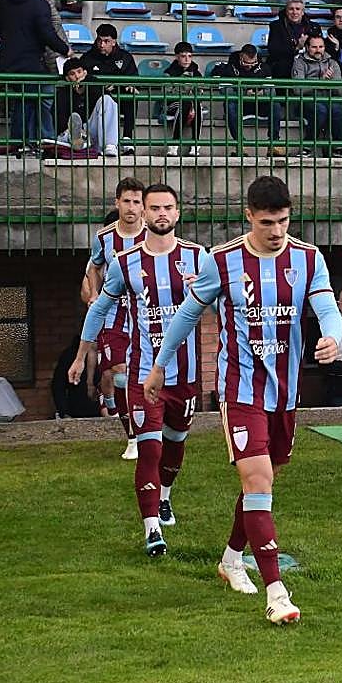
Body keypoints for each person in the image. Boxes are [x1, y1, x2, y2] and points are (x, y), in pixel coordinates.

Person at [145, 176, 342, 625]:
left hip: (285, 394)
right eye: (268, 222)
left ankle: (232, 559)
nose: (277, 231)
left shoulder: (309, 259)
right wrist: (159, 366)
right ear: (249, 216)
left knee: (263, 484)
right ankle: (277, 593)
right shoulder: (223, 260)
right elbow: (186, 314)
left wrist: (332, 336)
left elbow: (327, 307)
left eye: (284, 221)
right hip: (240, 391)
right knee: (258, 482)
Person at [70, 184, 203, 557]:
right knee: (149, 449)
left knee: (175, 445)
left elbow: (226, 300)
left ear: (177, 214)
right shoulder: (125, 262)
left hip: (186, 375)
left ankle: (164, 496)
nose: (162, 213)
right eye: (154, 208)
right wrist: (81, 355)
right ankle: (151, 530)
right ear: (143, 214)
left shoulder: (198, 258)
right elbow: (98, 309)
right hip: (143, 374)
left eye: (168, 208)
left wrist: (205, 293)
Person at [86, 178, 147, 460]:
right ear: (117, 203)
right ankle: (132, 436)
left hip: (145, 314)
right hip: (114, 314)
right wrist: (96, 293)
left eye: (137, 202)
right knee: (119, 372)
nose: (132, 207)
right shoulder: (105, 237)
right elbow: (93, 268)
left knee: (142, 374)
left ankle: (148, 425)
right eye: (127, 201)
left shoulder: (153, 236)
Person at [0, 0, 69, 152]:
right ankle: (24, 143)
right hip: (29, 61)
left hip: (7, 60)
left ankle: (24, 143)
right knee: (28, 100)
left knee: (22, 100)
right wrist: (65, 49)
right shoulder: (38, 1)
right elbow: (47, 33)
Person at [214, 45, 285, 157]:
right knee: (229, 104)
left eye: (253, 63)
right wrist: (244, 93)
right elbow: (225, 91)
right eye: (247, 63)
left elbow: (272, 92)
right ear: (241, 56)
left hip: (259, 104)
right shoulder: (229, 69)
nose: (250, 66)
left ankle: (274, 142)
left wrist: (262, 93)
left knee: (275, 104)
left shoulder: (264, 68)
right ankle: (240, 143)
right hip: (240, 104)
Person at [79, 24, 138, 154]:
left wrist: (129, 86)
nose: (102, 44)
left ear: (114, 42)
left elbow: (134, 79)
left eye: (106, 41)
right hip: (95, 103)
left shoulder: (125, 57)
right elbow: (82, 78)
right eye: (99, 40)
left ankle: (127, 138)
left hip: (119, 99)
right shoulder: (88, 58)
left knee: (131, 95)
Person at [292, 35, 342, 159]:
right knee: (320, 110)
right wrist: (320, 81)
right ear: (307, 47)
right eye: (314, 47)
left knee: (337, 109)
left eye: (321, 47)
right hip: (306, 101)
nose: (318, 50)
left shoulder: (333, 63)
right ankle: (307, 145)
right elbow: (298, 89)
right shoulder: (299, 63)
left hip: (328, 100)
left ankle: (339, 147)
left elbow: (341, 91)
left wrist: (331, 83)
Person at [53, 57, 120, 156]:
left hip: (91, 130)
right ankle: (78, 141)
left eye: (79, 72)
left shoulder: (94, 84)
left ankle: (109, 145)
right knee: (71, 126)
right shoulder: (63, 94)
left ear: (84, 72)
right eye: (72, 74)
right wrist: (74, 93)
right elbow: (60, 120)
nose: (76, 76)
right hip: (71, 132)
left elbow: (109, 102)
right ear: (67, 78)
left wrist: (87, 83)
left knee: (107, 100)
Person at [266, 0, 323, 79]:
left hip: (309, 63)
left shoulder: (314, 27)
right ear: (286, 11)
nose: (294, 12)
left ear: (303, 12)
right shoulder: (276, 26)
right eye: (291, 9)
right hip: (284, 65)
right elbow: (274, 51)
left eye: (297, 9)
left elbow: (320, 48)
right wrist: (297, 47)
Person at [164, 42, 203, 157]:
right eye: (183, 56)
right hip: (173, 104)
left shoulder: (196, 73)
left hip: (192, 103)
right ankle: (174, 143)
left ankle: (196, 144)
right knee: (185, 103)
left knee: (196, 105)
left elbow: (200, 91)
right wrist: (187, 90)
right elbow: (168, 92)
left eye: (189, 56)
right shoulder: (169, 73)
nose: (187, 59)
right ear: (176, 57)